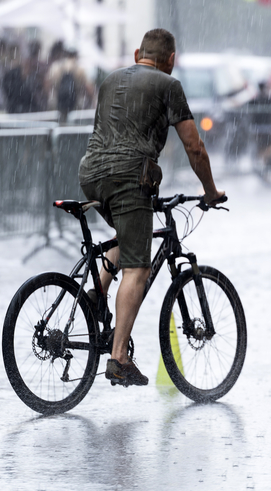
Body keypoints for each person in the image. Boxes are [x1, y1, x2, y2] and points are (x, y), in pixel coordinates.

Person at [78, 28, 226, 387]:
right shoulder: (168, 85)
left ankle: (97, 294)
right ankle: (118, 358)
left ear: (136, 54)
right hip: (129, 177)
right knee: (138, 269)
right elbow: (194, 146)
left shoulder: (110, 80)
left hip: (90, 173)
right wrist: (210, 191)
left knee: (129, 236)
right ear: (171, 60)